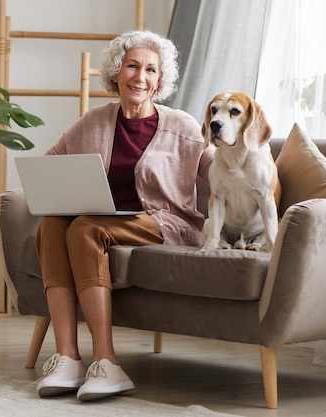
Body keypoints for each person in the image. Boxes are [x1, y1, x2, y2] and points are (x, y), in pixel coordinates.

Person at [34, 30, 215, 402]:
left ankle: (106, 361)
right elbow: (49, 165)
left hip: (165, 222)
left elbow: (222, 173)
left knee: (85, 229)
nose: (141, 77)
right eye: (132, 66)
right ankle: (67, 356)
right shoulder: (94, 121)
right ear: (116, 72)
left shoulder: (182, 126)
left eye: (151, 70)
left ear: (160, 80)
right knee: (52, 226)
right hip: (106, 219)